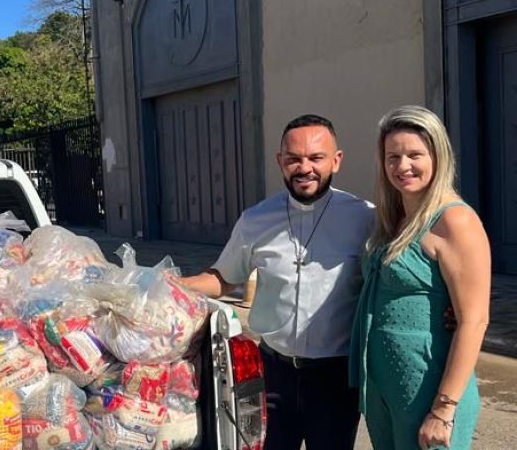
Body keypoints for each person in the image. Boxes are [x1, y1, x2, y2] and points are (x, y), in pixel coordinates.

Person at [181, 114, 374, 450]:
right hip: (272, 374)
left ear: (336, 160)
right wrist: (168, 285)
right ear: (280, 161)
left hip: (336, 378)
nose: (304, 168)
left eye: (316, 158)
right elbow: (224, 279)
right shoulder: (256, 220)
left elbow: (393, 280)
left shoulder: (365, 218)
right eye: (293, 159)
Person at [350, 105, 490, 450]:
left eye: (415, 154)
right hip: (386, 389)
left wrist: (443, 410)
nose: (402, 166)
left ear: (437, 156)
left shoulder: (455, 221)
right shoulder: (394, 217)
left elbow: (474, 320)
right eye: (392, 156)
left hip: (427, 388)